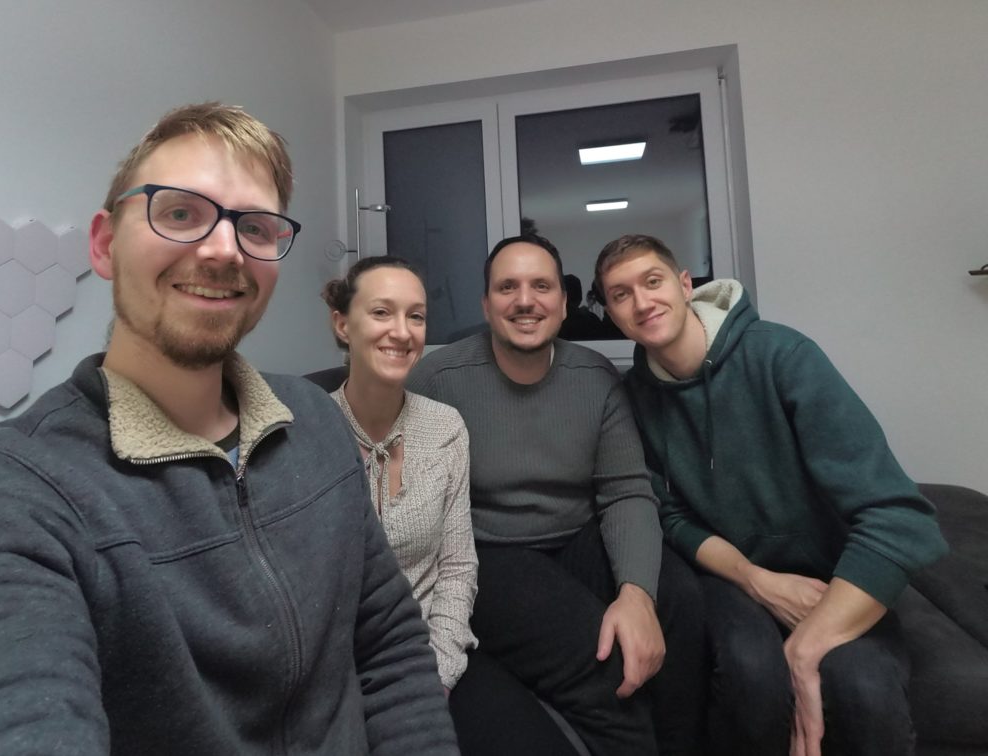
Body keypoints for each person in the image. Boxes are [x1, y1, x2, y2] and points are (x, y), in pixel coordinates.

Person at [0, 103, 458, 755]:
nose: (223, 248)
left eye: (256, 226)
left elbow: (388, 644)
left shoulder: (318, 424)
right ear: (104, 244)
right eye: (180, 212)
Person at [593, 233, 949, 756]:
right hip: (730, 576)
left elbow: (900, 518)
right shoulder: (632, 399)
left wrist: (807, 649)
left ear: (685, 284)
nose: (642, 302)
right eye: (621, 295)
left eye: (652, 281)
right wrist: (757, 581)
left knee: (863, 690)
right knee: (752, 674)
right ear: (612, 315)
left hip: (828, 575)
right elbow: (668, 514)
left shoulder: (783, 356)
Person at [407, 233, 706, 756]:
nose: (525, 301)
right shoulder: (438, 378)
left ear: (564, 303)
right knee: (604, 657)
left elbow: (625, 491)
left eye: (541, 286)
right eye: (508, 287)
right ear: (486, 303)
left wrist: (636, 595)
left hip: (576, 538)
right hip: (490, 553)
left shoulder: (595, 376)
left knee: (679, 602)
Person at [320, 256, 477, 693]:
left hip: (422, 659)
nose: (403, 332)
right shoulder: (307, 429)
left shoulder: (446, 429)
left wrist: (439, 673)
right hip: (332, 674)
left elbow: (458, 568)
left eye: (417, 316)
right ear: (342, 325)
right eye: (381, 312)